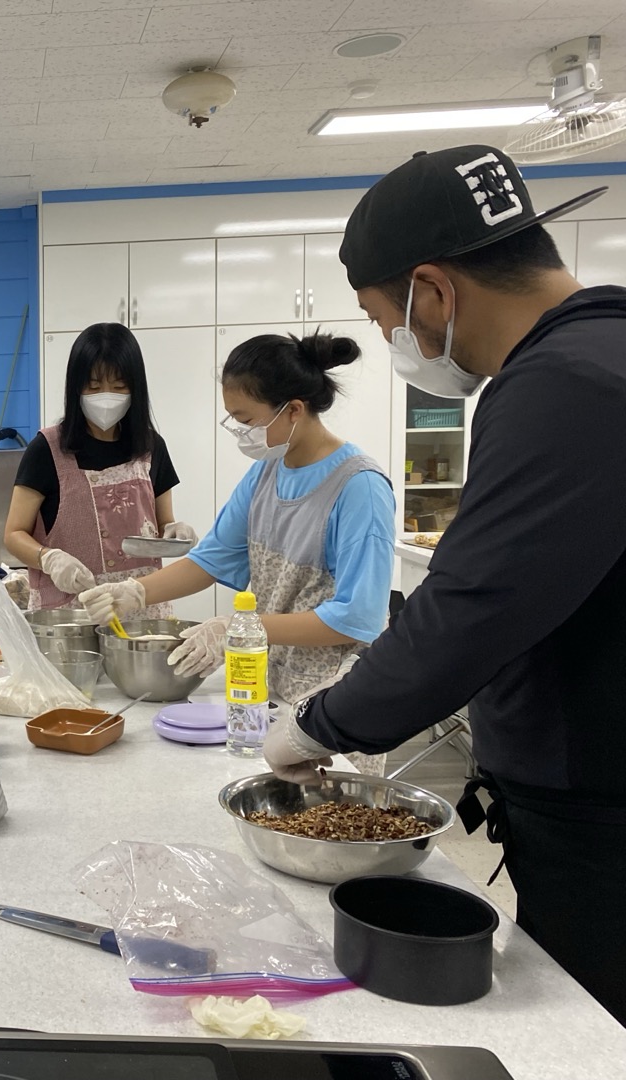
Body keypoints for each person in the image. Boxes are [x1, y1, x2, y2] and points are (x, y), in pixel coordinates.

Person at [262, 145, 626, 1025]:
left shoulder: (564, 385)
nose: (398, 342)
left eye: (383, 318)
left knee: (588, 1035)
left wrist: (315, 727)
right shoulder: (606, 348)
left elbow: (470, 610)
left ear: (432, 291)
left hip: (603, 818)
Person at [79, 331, 396, 717]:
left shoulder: (358, 487)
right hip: (276, 689)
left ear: (294, 409)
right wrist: (132, 592)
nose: (238, 429)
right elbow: (210, 560)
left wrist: (239, 625)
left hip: (340, 697)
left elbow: (355, 618)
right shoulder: (266, 472)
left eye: (245, 419)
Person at [4, 323, 195, 611]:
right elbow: (14, 534)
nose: (106, 397)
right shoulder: (48, 449)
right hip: (72, 616)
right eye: (93, 387)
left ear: (136, 388)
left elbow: (162, 524)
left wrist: (174, 532)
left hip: (140, 612)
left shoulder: (151, 446)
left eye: (119, 387)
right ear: (76, 387)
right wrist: (49, 558)